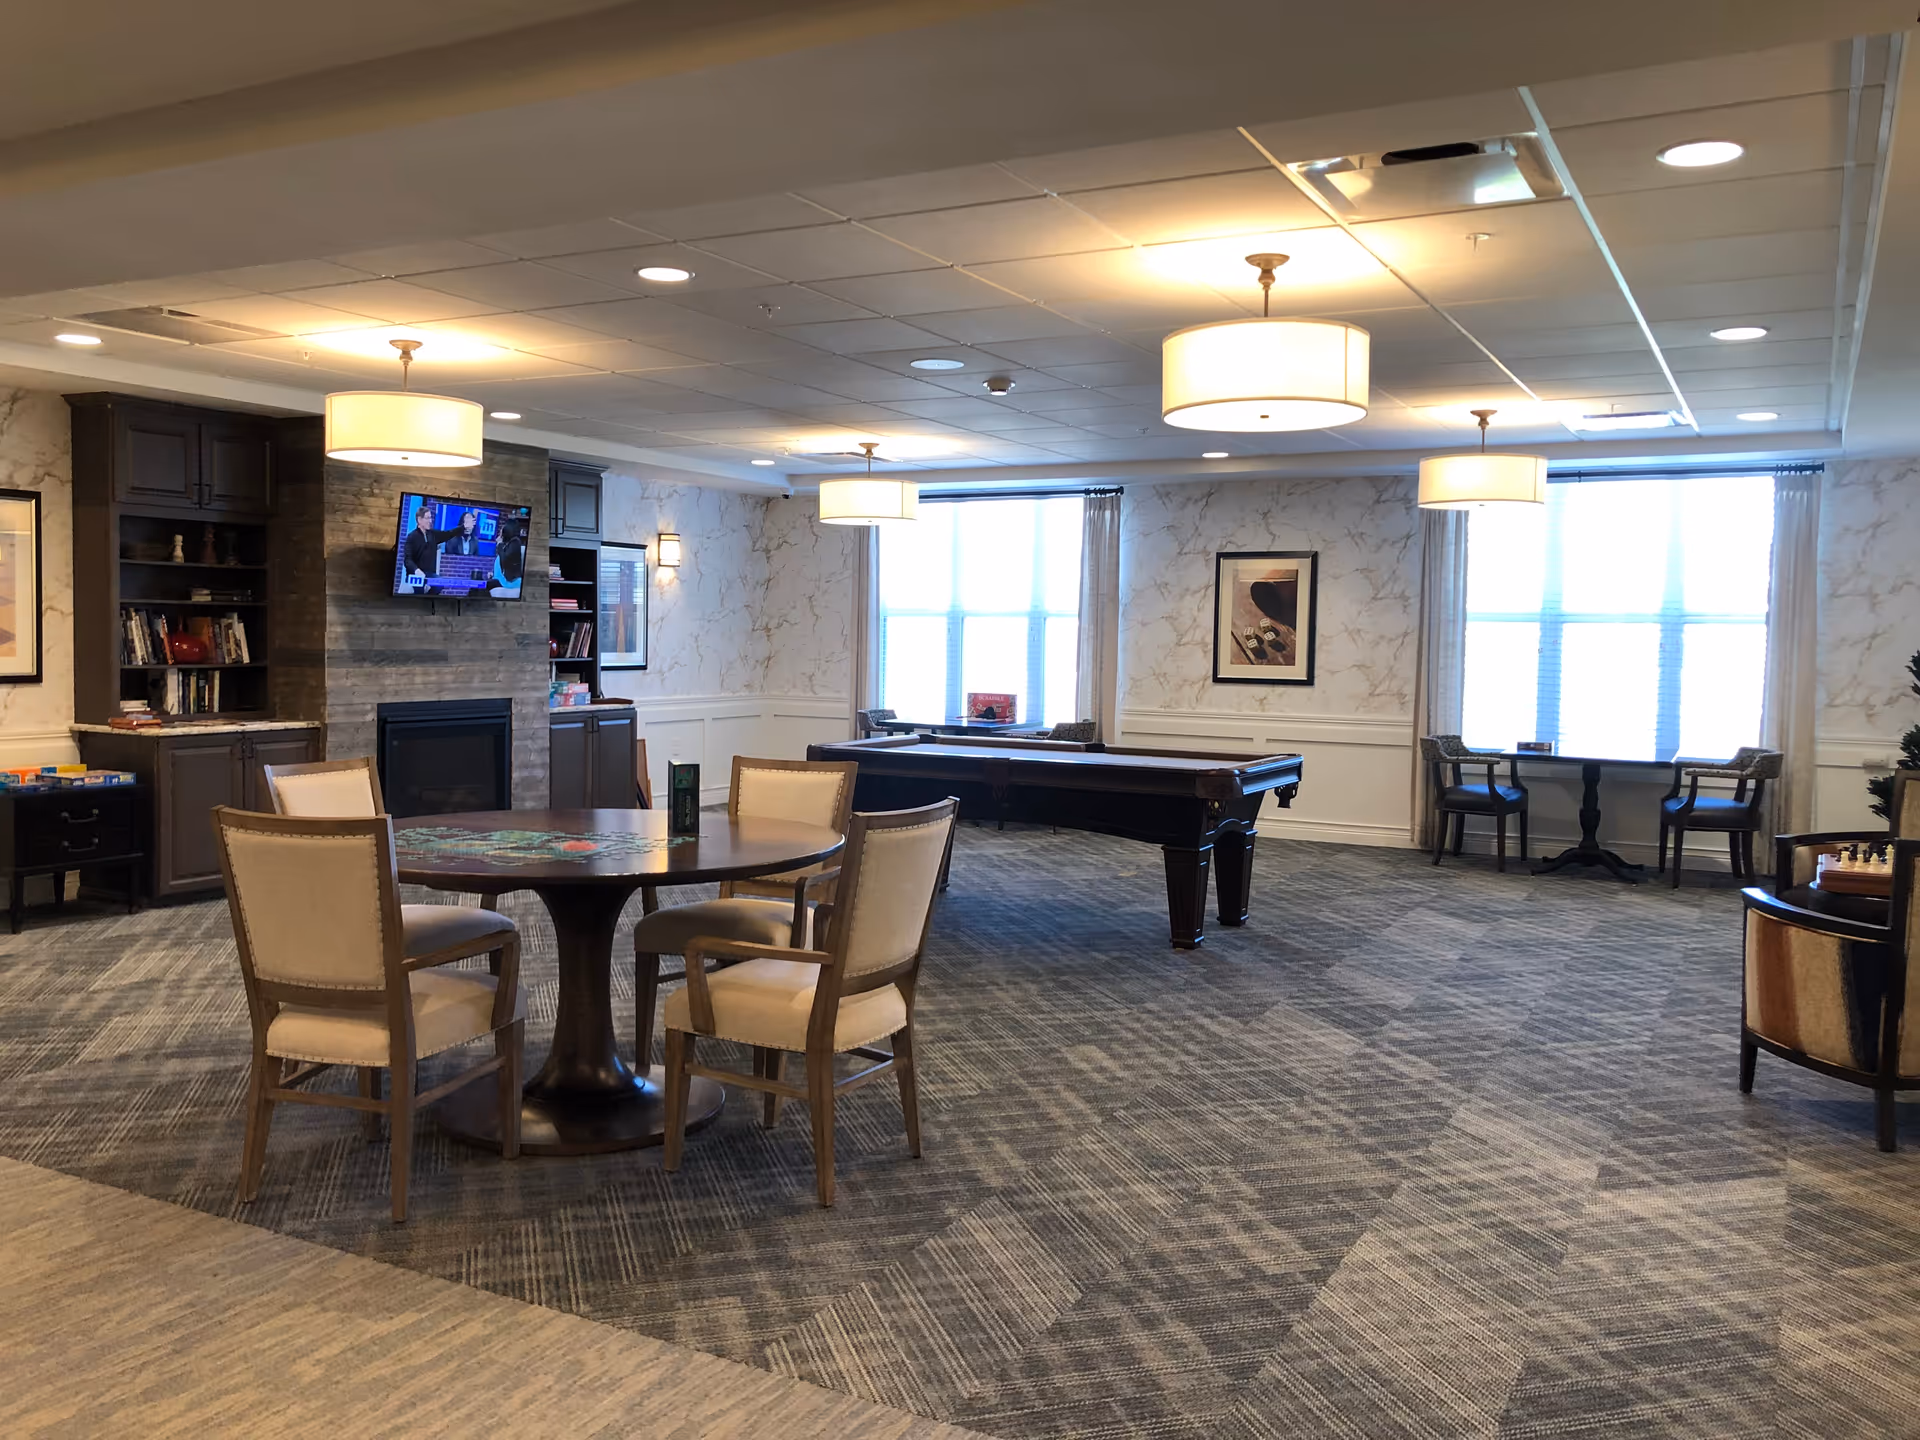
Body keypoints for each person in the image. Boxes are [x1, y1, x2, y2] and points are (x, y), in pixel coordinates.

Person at [403, 505, 468, 580]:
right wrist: (416, 570)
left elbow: (448, 534)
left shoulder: (433, 534)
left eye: (430, 518)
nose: (430, 521)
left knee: (440, 583)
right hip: (415, 575)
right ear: (419, 520)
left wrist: (463, 527)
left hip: (430, 575)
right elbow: (408, 560)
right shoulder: (412, 537)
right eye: (427, 518)